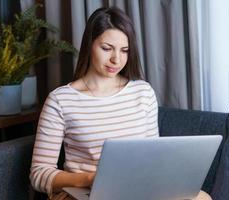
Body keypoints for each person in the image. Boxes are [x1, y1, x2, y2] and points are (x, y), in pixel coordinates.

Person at [30, 7, 212, 200]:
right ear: (89, 44)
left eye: (124, 50)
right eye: (107, 48)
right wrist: (90, 179)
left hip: (139, 190)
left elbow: (154, 156)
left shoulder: (143, 92)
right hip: (85, 193)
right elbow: (39, 173)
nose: (116, 59)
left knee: (200, 197)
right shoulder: (61, 100)